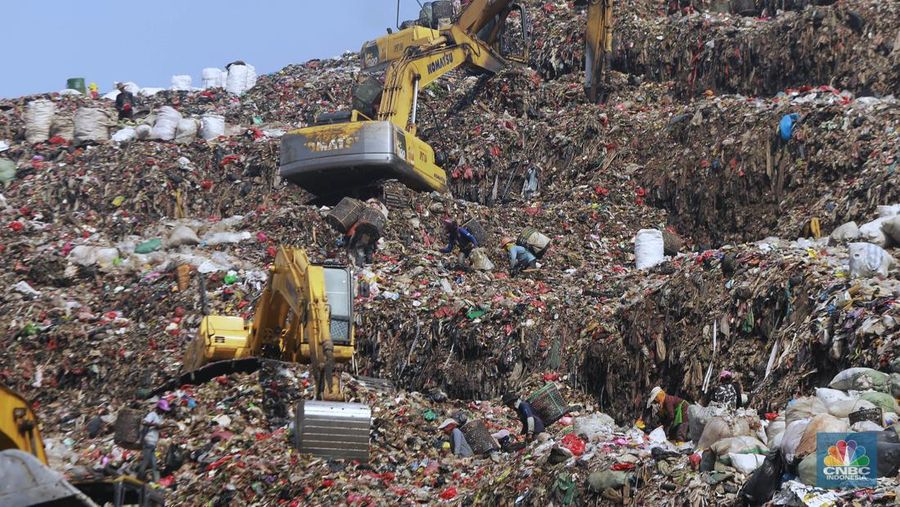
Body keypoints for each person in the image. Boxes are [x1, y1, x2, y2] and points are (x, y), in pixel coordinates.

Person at [137, 399, 170, 482]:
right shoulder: (152, 414)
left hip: (153, 443)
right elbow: (144, 422)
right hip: (148, 440)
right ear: (158, 408)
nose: (163, 412)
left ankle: (156, 482)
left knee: (154, 464)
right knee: (146, 462)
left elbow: (158, 427)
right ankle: (138, 479)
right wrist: (154, 425)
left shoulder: (160, 417)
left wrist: (163, 427)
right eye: (162, 410)